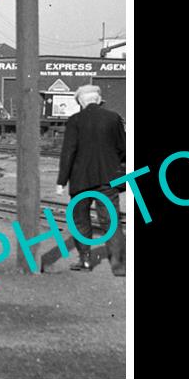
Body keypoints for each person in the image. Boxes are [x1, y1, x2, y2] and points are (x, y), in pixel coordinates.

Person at [55, 84, 126, 276]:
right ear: (98, 100)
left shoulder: (75, 121)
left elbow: (68, 153)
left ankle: (85, 261)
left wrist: (61, 181)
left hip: (80, 180)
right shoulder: (114, 118)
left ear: (81, 101)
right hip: (108, 180)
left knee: (80, 220)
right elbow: (124, 148)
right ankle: (119, 266)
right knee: (111, 221)